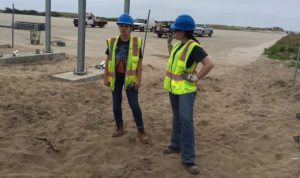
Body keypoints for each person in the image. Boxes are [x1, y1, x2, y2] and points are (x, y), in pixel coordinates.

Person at [163, 14, 214, 175]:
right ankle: (175, 145)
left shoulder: (194, 47)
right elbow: (174, 60)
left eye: (175, 30)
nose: (173, 32)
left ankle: (189, 159)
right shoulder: (179, 45)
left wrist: (196, 77)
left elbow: (209, 64)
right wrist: (169, 45)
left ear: (184, 31)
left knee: (186, 121)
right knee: (177, 118)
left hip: (185, 90)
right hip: (174, 89)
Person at [103, 13, 147, 143]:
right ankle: (119, 127)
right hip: (115, 78)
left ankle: (141, 130)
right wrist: (105, 77)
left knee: (134, 104)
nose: (123, 28)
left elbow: (139, 63)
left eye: (126, 26)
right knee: (116, 104)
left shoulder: (136, 43)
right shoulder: (112, 42)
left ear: (131, 28)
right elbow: (108, 60)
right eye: (121, 26)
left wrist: (139, 80)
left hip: (130, 79)